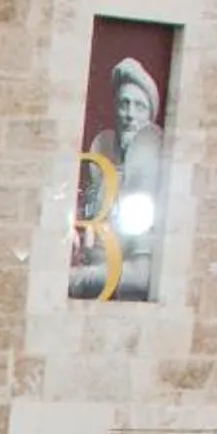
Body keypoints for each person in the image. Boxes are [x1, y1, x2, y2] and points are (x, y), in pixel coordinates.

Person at [71, 54, 165, 301]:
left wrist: (76, 279)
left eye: (139, 106)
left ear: (149, 115)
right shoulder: (103, 163)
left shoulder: (150, 177)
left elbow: (141, 277)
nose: (130, 114)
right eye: (124, 104)